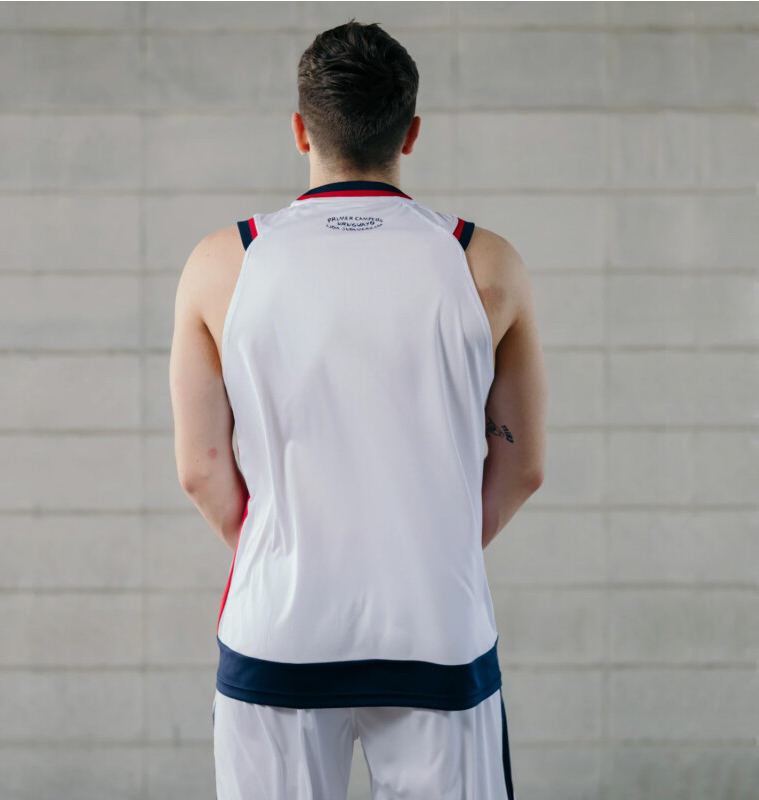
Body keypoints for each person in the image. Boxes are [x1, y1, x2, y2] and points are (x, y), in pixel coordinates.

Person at [169, 18, 547, 800]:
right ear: (410, 132)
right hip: (437, 625)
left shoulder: (219, 263)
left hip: (278, 626)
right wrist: (423, 541)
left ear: (301, 128)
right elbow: (524, 465)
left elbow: (201, 471)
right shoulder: (487, 262)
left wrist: (290, 548)